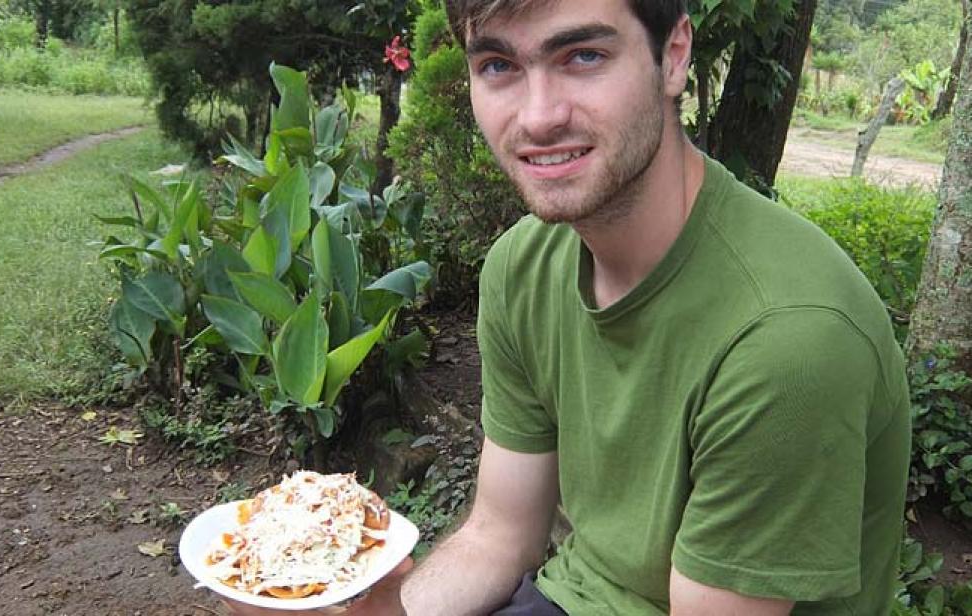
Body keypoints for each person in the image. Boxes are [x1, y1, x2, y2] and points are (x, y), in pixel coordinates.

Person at [227, 0, 911, 614]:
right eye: (498, 64)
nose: (539, 115)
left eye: (583, 56)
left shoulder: (786, 338)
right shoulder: (523, 269)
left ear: (672, 57)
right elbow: (502, 533)